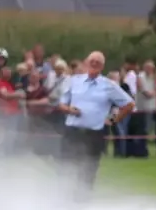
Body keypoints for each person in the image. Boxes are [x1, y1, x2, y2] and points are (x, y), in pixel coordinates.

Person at [57, 51, 134, 197]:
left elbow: (129, 104)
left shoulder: (108, 85)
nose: (94, 64)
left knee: (88, 169)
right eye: (92, 61)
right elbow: (61, 104)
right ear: (86, 63)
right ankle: (63, 197)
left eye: (98, 62)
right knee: (66, 166)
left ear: (102, 66)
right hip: (72, 131)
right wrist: (69, 109)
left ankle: (83, 200)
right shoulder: (73, 81)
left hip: (93, 134)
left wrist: (112, 120)